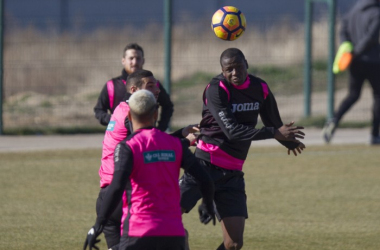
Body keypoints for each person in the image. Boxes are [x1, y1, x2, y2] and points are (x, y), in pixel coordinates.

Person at [179, 48, 306, 250]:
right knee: (165, 217)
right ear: (222, 70)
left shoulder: (259, 87)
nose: (235, 73)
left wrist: (289, 141)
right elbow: (233, 131)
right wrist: (274, 132)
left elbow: (272, 119)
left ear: (246, 63)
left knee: (234, 243)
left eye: (238, 67)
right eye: (229, 70)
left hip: (232, 173)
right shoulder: (216, 89)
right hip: (204, 165)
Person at [84, 90, 215, 250]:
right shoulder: (175, 145)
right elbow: (204, 178)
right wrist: (207, 204)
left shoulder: (128, 147)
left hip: (138, 232)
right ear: (156, 114)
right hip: (173, 233)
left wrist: (98, 225)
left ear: (130, 116)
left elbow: (117, 187)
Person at [322, 0, 380, 145]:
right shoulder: (376, 13)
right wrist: (357, 51)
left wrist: (348, 49)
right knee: (378, 96)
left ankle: (334, 120)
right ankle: (374, 134)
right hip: (372, 61)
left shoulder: (353, 11)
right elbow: (371, 38)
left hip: (354, 62)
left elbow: (343, 31)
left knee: (353, 95)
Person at [94, 43, 174, 131]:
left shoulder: (154, 85)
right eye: (131, 58)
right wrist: (113, 120)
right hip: (120, 139)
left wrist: (160, 129)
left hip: (146, 138)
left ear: (143, 61)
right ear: (123, 60)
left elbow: (168, 106)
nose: (135, 62)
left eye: (138, 58)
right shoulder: (112, 86)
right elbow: (99, 110)